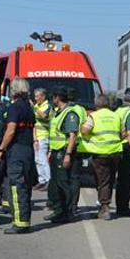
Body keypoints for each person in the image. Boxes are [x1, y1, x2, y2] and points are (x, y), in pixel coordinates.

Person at [0, 78, 36, 234]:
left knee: (17, 186)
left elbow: (11, 130)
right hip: (28, 149)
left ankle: (20, 223)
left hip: (17, 151)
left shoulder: (15, 107)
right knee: (25, 186)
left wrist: (1, 149)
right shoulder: (28, 107)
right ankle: (23, 220)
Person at [45, 87, 86, 224]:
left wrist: (68, 154)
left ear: (57, 98)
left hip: (64, 152)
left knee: (64, 183)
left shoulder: (70, 114)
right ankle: (59, 210)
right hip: (57, 152)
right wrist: (51, 151)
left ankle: (67, 212)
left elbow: (72, 136)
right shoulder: (59, 112)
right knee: (57, 183)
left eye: (53, 97)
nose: (52, 100)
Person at [80, 94, 123, 220]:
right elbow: (123, 133)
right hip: (115, 152)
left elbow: (85, 131)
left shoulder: (93, 116)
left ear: (97, 104)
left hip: (100, 154)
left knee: (102, 181)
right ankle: (104, 205)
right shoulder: (116, 116)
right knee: (109, 180)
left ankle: (105, 208)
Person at [114, 88, 130, 217]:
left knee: (120, 180)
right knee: (127, 180)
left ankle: (119, 206)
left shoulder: (118, 111)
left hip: (117, 147)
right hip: (127, 148)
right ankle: (123, 208)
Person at [32, 88, 52, 191]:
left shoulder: (47, 106)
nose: (35, 99)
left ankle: (49, 180)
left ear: (43, 97)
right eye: (34, 96)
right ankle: (42, 180)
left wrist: (34, 109)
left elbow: (44, 116)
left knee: (43, 159)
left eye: (37, 96)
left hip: (44, 136)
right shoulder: (36, 106)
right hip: (37, 136)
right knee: (37, 160)